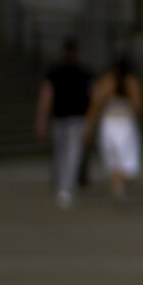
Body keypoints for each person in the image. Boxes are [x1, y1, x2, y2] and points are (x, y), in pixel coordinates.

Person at [34, 38, 94, 209]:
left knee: (71, 154)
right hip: (61, 118)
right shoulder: (56, 72)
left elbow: (93, 99)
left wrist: (89, 122)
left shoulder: (83, 73)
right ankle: (64, 185)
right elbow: (46, 96)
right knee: (63, 154)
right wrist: (41, 119)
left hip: (75, 119)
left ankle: (66, 186)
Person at [89, 53, 143, 199]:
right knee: (125, 157)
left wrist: (91, 122)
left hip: (110, 122)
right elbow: (137, 106)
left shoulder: (108, 80)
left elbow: (96, 103)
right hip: (124, 122)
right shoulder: (129, 81)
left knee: (114, 157)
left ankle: (117, 183)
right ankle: (118, 183)